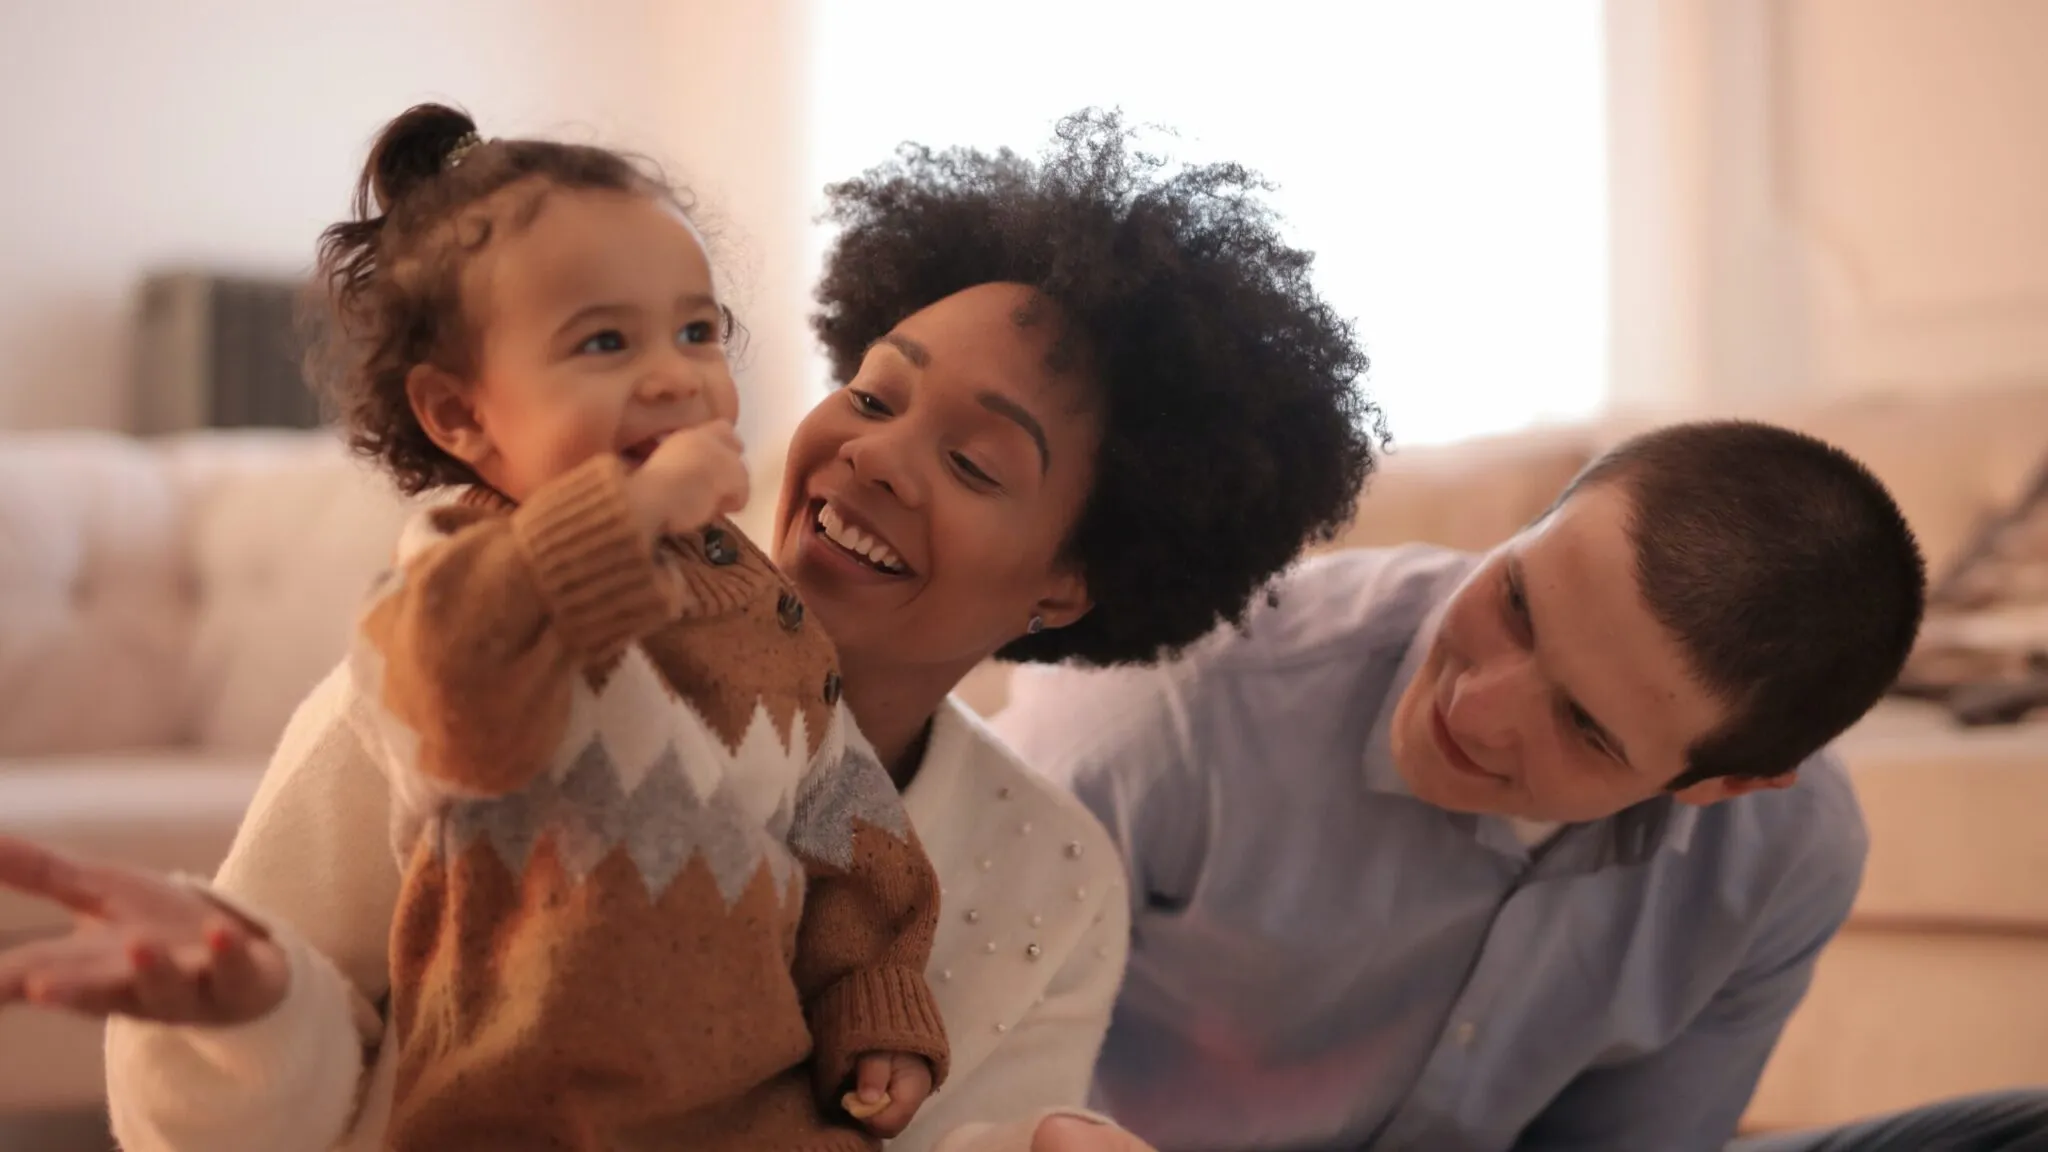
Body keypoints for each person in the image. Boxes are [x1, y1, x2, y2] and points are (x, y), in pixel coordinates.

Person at [0, 108, 1382, 1152]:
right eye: (876, 392)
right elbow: (211, 1124)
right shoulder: (476, 662)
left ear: (1071, 579)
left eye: (974, 465)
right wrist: (255, 1014)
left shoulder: (1055, 881)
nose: (877, 458)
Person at [996, 418, 2048, 1151]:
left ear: (1723, 785)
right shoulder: (1173, 704)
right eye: (1514, 600)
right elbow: (913, 1073)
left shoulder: (1785, 857)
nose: (1474, 707)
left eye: (1584, 727)